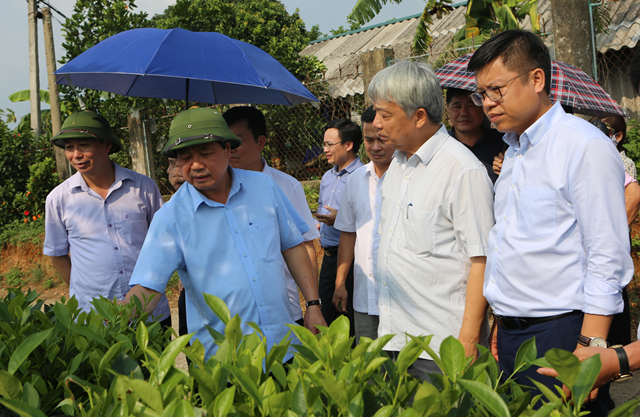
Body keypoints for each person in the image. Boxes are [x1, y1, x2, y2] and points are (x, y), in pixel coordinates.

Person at [468, 30, 632, 415]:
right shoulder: (514, 152)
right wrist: (500, 324)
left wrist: (592, 346)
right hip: (511, 336)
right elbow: (512, 244)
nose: (487, 104)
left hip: (561, 332)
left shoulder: (583, 146)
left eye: (497, 90)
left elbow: (606, 255)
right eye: (481, 94)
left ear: (537, 79)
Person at [124, 108, 326, 361]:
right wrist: (115, 321)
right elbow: (148, 287)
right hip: (222, 360)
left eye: (206, 153)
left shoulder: (264, 188)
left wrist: (313, 304)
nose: (196, 165)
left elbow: (292, 246)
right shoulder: (170, 218)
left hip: (282, 346)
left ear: (228, 149)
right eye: (184, 158)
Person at [370, 60, 495, 380]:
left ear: (419, 116)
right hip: (394, 336)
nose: (376, 124)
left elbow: (481, 259)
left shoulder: (461, 170)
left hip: (442, 346)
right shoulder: (396, 165)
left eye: (385, 114)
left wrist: (467, 340)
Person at [43, 110, 170, 325]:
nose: (76, 155)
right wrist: (86, 288)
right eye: (69, 148)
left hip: (150, 313)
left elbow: (163, 245)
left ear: (107, 145)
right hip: (95, 317)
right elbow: (57, 254)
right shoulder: (58, 198)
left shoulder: (143, 187)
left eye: (84, 145)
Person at [222, 106, 320, 325]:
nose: (230, 149)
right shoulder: (215, 191)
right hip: (234, 315)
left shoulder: (287, 186)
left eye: (238, 141)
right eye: (225, 142)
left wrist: (313, 304)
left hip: (284, 308)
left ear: (260, 142)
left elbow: (305, 246)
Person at [332, 106, 395, 343]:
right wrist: (340, 283)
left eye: (383, 139)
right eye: (369, 140)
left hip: (401, 299)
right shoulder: (356, 180)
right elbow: (348, 234)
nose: (376, 147)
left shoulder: (409, 177)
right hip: (364, 296)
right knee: (369, 368)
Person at [314, 119, 364, 328]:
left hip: (353, 259)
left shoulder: (363, 176)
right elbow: (320, 207)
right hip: (328, 258)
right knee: (326, 315)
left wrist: (340, 220)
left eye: (329, 144)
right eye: (324, 144)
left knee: (350, 318)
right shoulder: (327, 176)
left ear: (348, 145)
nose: (325, 149)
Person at [446, 88, 505, 183]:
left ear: (483, 108)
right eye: (457, 107)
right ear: (448, 109)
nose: (464, 113)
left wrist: (507, 169)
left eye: (471, 105)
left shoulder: (503, 142)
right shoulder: (441, 146)